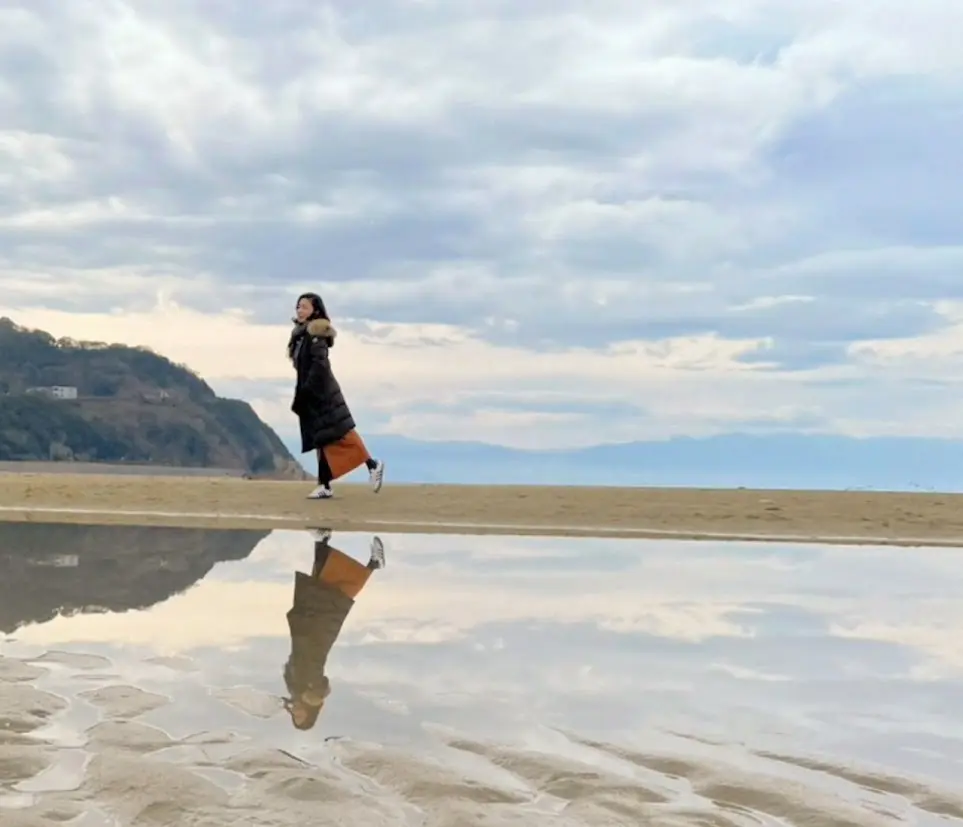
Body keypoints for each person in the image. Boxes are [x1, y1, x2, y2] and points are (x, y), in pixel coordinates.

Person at [282, 529, 386, 730]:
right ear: (310, 714)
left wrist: (290, 699)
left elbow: (290, 667)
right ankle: (374, 564)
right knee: (337, 597)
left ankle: (322, 541)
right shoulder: (314, 696)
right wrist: (305, 696)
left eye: (295, 716)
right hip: (318, 636)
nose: (297, 712)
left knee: (314, 588)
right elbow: (323, 684)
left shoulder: (295, 691)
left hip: (303, 634)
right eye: (301, 716)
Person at [288, 292, 385, 499]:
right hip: (312, 393)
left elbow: (320, 365)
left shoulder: (316, 334)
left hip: (322, 394)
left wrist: (308, 390)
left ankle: (373, 465)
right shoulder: (300, 335)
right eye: (298, 306)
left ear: (315, 310)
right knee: (321, 439)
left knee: (342, 433)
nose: (299, 310)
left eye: (304, 307)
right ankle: (325, 485)